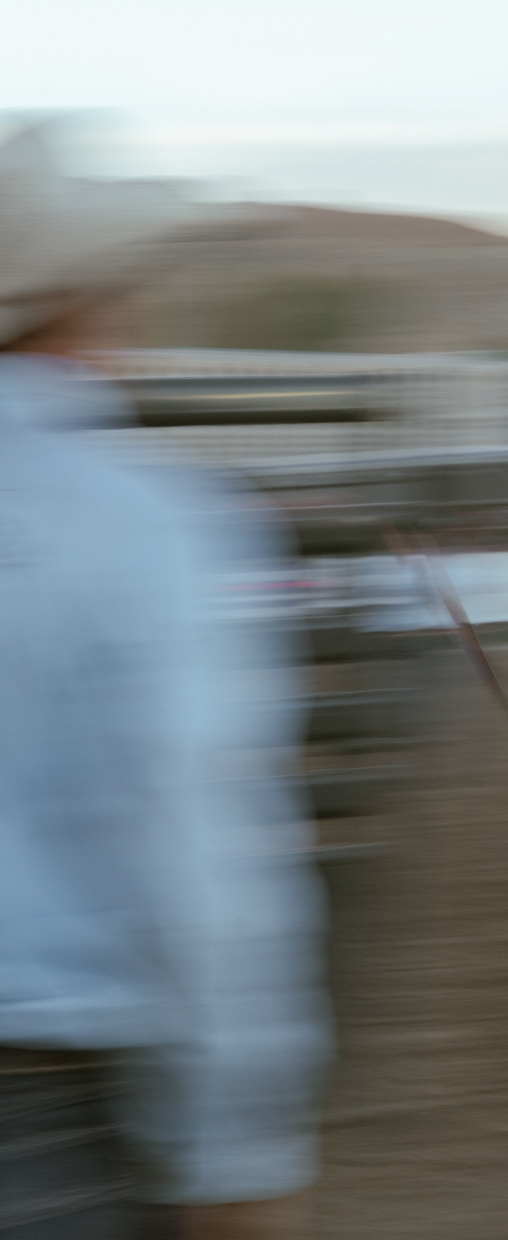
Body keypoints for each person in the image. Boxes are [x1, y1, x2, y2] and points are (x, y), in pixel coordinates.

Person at [0, 124, 330, 1238]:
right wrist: (238, 1148)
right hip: (36, 1105)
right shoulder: (143, 522)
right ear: (80, 305)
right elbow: (192, 838)